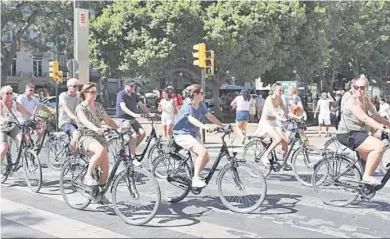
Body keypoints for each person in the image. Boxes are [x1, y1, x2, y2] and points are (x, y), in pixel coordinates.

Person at [336, 75, 390, 185]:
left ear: (367, 88)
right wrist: (385, 129)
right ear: (352, 87)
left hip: (360, 133)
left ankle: (364, 184)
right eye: (356, 87)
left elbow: (375, 116)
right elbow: (365, 118)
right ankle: (366, 177)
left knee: (373, 159)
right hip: (348, 134)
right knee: (379, 146)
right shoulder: (351, 100)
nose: (359, 90)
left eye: (362, 88)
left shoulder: (366, 100)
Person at [75, 83, 122, 202]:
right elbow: (85, 122)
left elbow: (108, 120)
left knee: (105, 172)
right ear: (85, 93)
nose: (94, 94)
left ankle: (98, 194)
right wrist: (97, 129)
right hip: (86, 136)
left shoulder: (98, 106)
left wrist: (119, 129)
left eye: (95, 92)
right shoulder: (80, 107)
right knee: (100, 150)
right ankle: (88, 176)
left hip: (99, 137)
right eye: (92, 92)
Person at [173, 84, 224, 188]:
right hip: (182, 134)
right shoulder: (188, 105)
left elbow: (209, 115)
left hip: (193, 134)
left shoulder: (200, 104)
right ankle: (195, 179)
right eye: (201, 93)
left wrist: (223, 125)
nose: (203, 95)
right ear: (194, 94)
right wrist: (205, 127)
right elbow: (192, 119)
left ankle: (194, 176)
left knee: (206, 157)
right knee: (202, 152)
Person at [255, 83, 300, 170]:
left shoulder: (279, 99)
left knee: (285, 141)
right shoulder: (269, 98)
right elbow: (273, 110)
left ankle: (284, 162)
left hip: (274, 122)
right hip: (266, 122)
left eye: (282, 90)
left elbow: (286, 111)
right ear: (274, 90)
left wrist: (297, 117)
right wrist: (279, 117)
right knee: (278, 139)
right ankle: (265, 155)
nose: (281, 92)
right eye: (279, 90)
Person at [116, 80, 151, 166]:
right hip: (123, 119)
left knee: (142, 133)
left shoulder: (134, 95)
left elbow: (141, 105)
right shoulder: (121, 94)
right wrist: (134, 114)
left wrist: (149, 113)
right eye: (131, 86)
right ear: (125, 85)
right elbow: (123, 107)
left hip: (132, 119)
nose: (133, 88)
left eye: (134, 86)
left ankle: (130, 150)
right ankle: (132, 157)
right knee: (134, 135)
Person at [0, 86, 33, 161]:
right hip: (2, 128)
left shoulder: (15, 104)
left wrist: (34, 118)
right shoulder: (1, 104)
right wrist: (4, 120)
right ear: (2, 95)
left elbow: (26, 113)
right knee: (4, 148)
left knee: (24, 139)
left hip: (12, 126)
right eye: (7, 93)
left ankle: (23, 155)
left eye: (11, 93)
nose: (9, 95)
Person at [59, 78, 80, 151]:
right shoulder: (63, 96)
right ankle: (71, 152)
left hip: (75, 122)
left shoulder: (78, 96)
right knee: (76, 134)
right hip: (65, 122)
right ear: (68, 87)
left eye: (77, 86)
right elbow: (65, 108)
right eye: (74, 86)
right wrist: (73, 116)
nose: (76, 88)